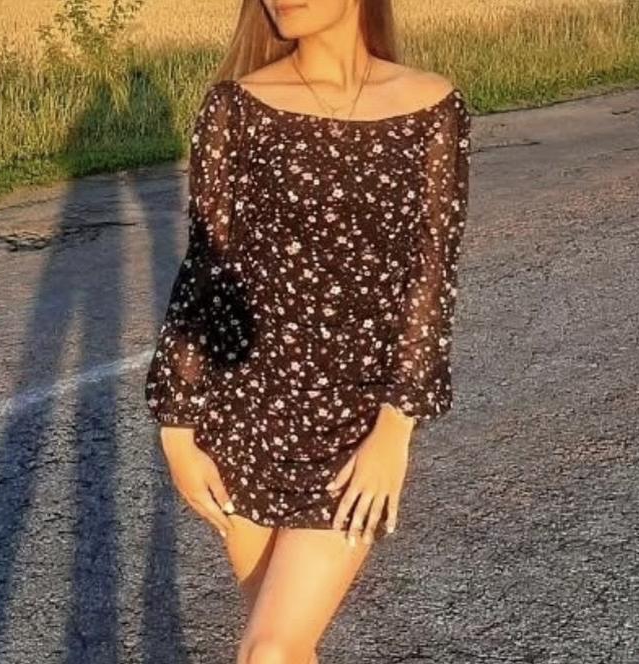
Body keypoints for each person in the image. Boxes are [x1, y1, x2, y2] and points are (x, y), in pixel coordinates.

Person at [144, 0, 472, 661]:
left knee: (268, 649)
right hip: (244, 420)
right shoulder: (236, 108)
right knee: (284, 646)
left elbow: (431, 280)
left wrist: (394, 432)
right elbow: (206, 270)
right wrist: (177, 427)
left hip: (353, 430)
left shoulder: (433, 107)